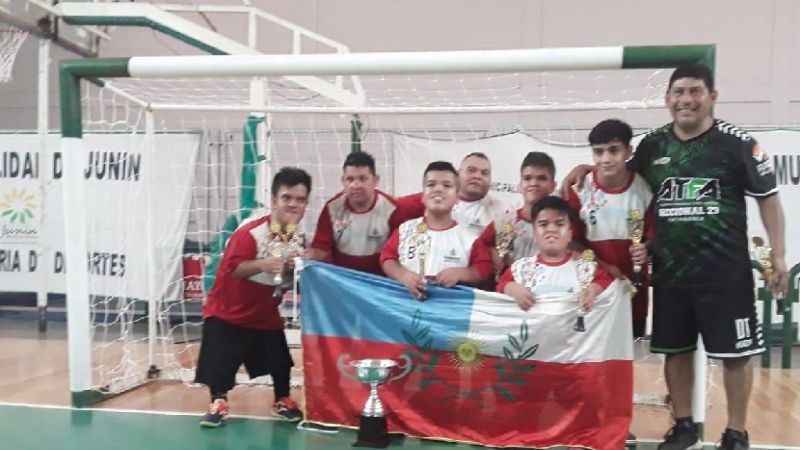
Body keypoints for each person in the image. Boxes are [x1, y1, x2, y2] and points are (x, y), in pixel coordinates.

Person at [562, 64, 787, 450]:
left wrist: (778, 255)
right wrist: (588, 166)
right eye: (678, 92)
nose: (686, 99)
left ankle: (736, 433)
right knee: (676, 352)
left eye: (695, 91)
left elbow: (768, 198)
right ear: (667, 99)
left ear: (712, 97)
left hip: (726, 272)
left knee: (736, 356)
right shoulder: (653, 146)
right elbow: (618, 172)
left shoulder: (736, 144)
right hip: (670, 272)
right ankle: (683, 426)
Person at [194, 167, 311, 427]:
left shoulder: (298, 238)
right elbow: (234, 268)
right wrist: (262, 264)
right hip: (228, 311)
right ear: (274, 200)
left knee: (281, 361)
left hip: (263, 313)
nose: (293, 204)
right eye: (287, 197)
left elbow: (290, 278)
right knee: (219, 363)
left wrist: (297, 268)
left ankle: (282, 400)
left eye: (300, 199)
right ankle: (218, 402)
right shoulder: (250, 234)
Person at [564, 119, 652, 339]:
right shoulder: (579, 189)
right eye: (598, 152)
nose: (606, 159)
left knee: (632, 356)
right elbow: (571, 243)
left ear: (628, 152)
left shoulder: (645, 189)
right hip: (591, 292)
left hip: (632, 292)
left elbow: (652, 236)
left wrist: (647, 248)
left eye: (613, 151)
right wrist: (603, 267)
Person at [380, 161, 492, 300]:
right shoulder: (405, 230)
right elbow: (387, 258)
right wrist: (403, 276)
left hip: (447, 314)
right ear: (422, 196)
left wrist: (462, 273)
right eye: (431, 184)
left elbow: (484, 268)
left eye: (447, 185)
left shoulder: (469, 238)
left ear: (457, 198)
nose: (438, 189)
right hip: (404, 310)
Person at [497, 195, 613, 314]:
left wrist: (592, 291)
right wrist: (513, 289)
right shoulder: (521, 268)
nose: (551, 229)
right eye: (543, 224)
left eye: (559, 224)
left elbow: (607, 281)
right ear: (535, 235)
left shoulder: (584, 267)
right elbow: (502, 284)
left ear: (569, 234)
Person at [308, 151, 413, 275]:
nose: (355, 185)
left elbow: (401, 255)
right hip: (342, 278)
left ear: (375, 180)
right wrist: (307, 256)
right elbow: (321, 250)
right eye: (350, 179)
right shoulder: (332, 208)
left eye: (362, 179)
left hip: (379, 281)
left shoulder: (392, 210)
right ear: (343, 181)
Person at [479, 151, 557, 280]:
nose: (534, 183)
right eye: (527, 178)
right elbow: (480, 248)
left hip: (547, 293)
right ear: (520, 185)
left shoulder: (561, 225)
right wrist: (491, 252)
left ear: (553, 186)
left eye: (542, 178)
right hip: (507, 293)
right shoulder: (505, 222)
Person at [399, 152, 509, 238]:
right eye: (471, 170)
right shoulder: (430, 199)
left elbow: (503, 254)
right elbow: (393, 207)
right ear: (457, 174)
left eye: (484, 173)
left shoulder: (502, 212)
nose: (477, 176)